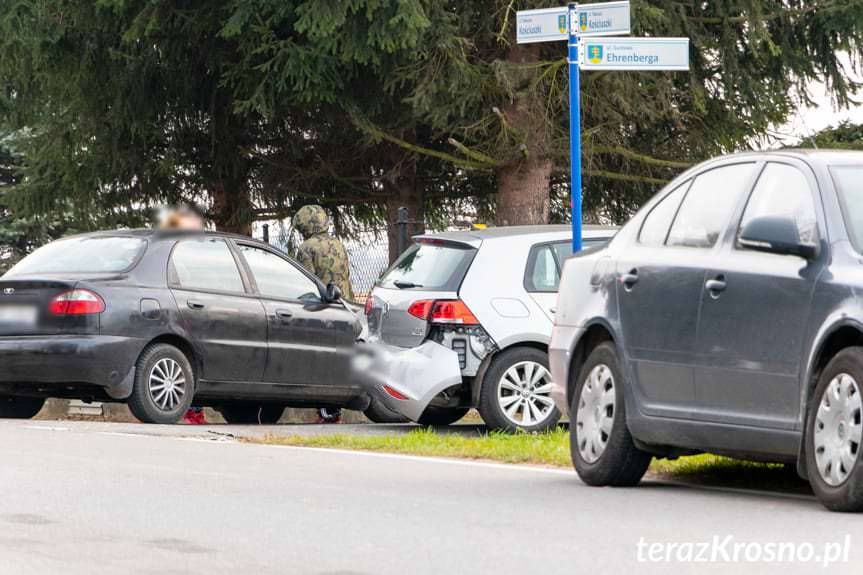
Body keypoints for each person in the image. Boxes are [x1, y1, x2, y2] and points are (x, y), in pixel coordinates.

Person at [293, 205, 354, 423]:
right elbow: (346, 277)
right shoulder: (339, 245)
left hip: (321, 309)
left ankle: (325, 411)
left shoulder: (306, 248)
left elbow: (305, 282)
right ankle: (333, 410)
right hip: (344, 306)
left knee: (319, 360)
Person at [158, 206, 208, 425]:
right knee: (192, 358)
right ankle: (192, 411)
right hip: (187, 312)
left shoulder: (180, 252)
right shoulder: (177, 253)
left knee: (192, 359)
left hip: (191, 311)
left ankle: (194, 411)